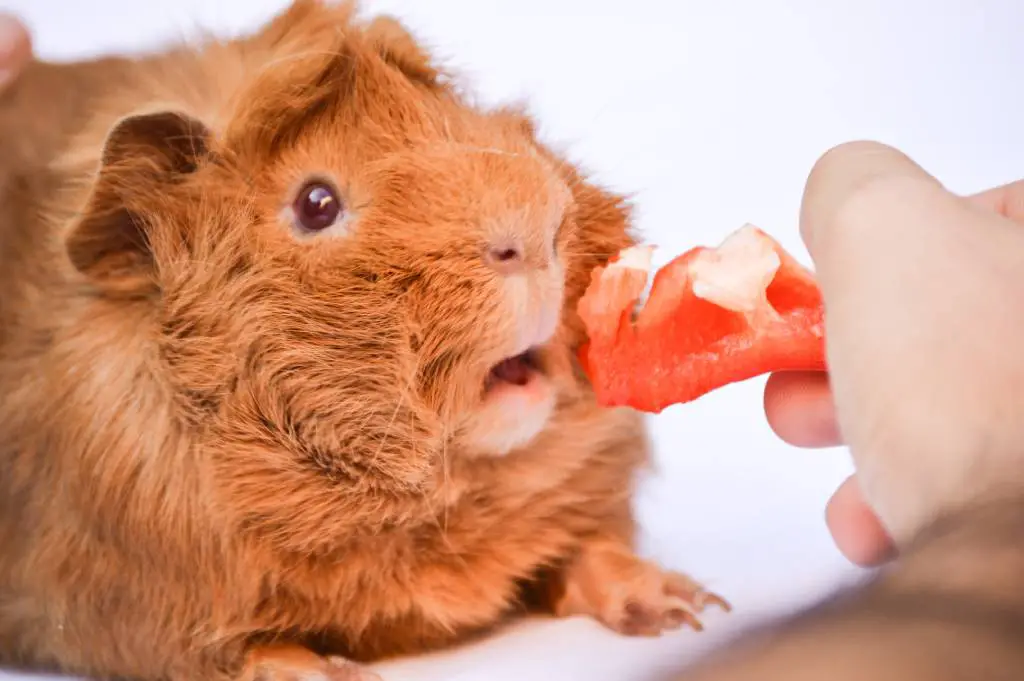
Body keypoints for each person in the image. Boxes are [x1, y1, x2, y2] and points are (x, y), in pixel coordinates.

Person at [3, 15, 1023, 679]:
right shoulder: (148, 479)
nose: (532, 226)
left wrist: (586, 559)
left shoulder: (547, 406)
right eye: (318, 205)